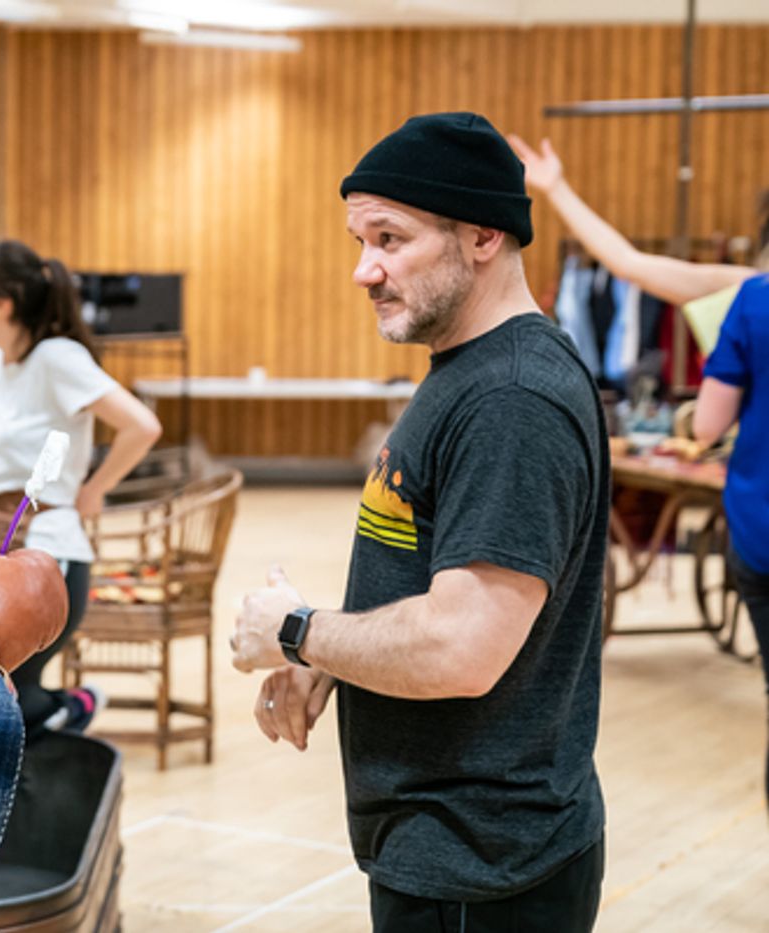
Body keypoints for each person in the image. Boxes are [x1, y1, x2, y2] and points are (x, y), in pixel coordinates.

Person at [230, 113, 608, 932]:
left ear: (481, 235)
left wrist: (299, 631)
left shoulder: (513, 398)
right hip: (448, 851)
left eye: (391, 238)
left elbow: (463, 645)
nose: (364, 269)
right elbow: (432, 582)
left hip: (484, 868)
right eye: (359, 239)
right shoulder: (470, 370)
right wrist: (334, 652)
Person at [512, 133, 769, 811]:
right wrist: (559, 189)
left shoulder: (751, 296)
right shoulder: (744, 291)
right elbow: (629, 261)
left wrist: (693, 428)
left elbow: (630, 262)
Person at [0, 240, 162, 737]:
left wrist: (93, 490)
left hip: (46, 547)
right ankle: (67, 712)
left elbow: (141, 426)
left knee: (13, 701)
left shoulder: (56, 358)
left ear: (1, 303)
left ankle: (69, 710)